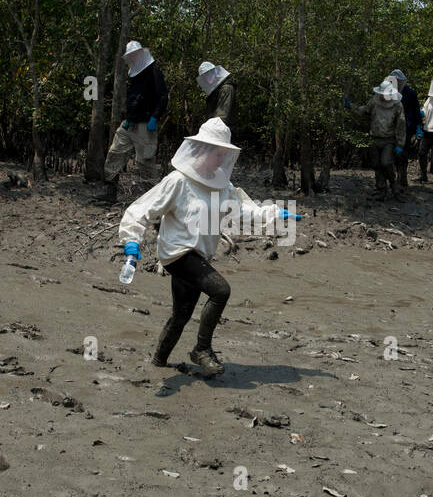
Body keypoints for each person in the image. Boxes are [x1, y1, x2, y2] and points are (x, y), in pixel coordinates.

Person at [118, 118, 300, 377]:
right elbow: (142, 209)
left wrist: (274, 213)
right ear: (203, 151)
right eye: (218, 154)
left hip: (199, 255)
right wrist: (132, 242)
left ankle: (158, 362)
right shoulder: (178, 181)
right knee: (221, 291)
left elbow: (243, 210)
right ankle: (202, 350)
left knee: (181, 314)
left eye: (224, 155)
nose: (221, 160)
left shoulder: (221, 185)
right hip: (177, 254)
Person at [96, 41, 168, 203]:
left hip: (145, 125)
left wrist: (155, 117)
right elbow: (134, 99)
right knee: (115, 152)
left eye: (134, 55)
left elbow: (163, 97)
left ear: (141, 54)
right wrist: (128, 118)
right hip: (130, 123)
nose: (132, 58)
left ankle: (154, 200)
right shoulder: (135, 74)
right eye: (130, 56)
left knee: (145, 162)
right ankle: (110, 192)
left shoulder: (154, 72)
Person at [344, 76, 407, 200]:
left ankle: (394, 186)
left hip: (389, 139)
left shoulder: (397, 105)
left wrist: (400, 144)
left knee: (386, 162)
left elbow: (401, 124)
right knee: (377, 165)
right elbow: (365, 110)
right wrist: (350, 106)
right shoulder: (374, 101)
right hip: (374, 138)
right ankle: (381, 190)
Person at [390, 69, 421, 192]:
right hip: (393, 127)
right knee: (393, 153)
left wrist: (419, 127)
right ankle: (396, 178)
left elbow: (416, 112)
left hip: (408, 128)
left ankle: (402, 177)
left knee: (403, 153)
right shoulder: (389, 93)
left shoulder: (411, 94)